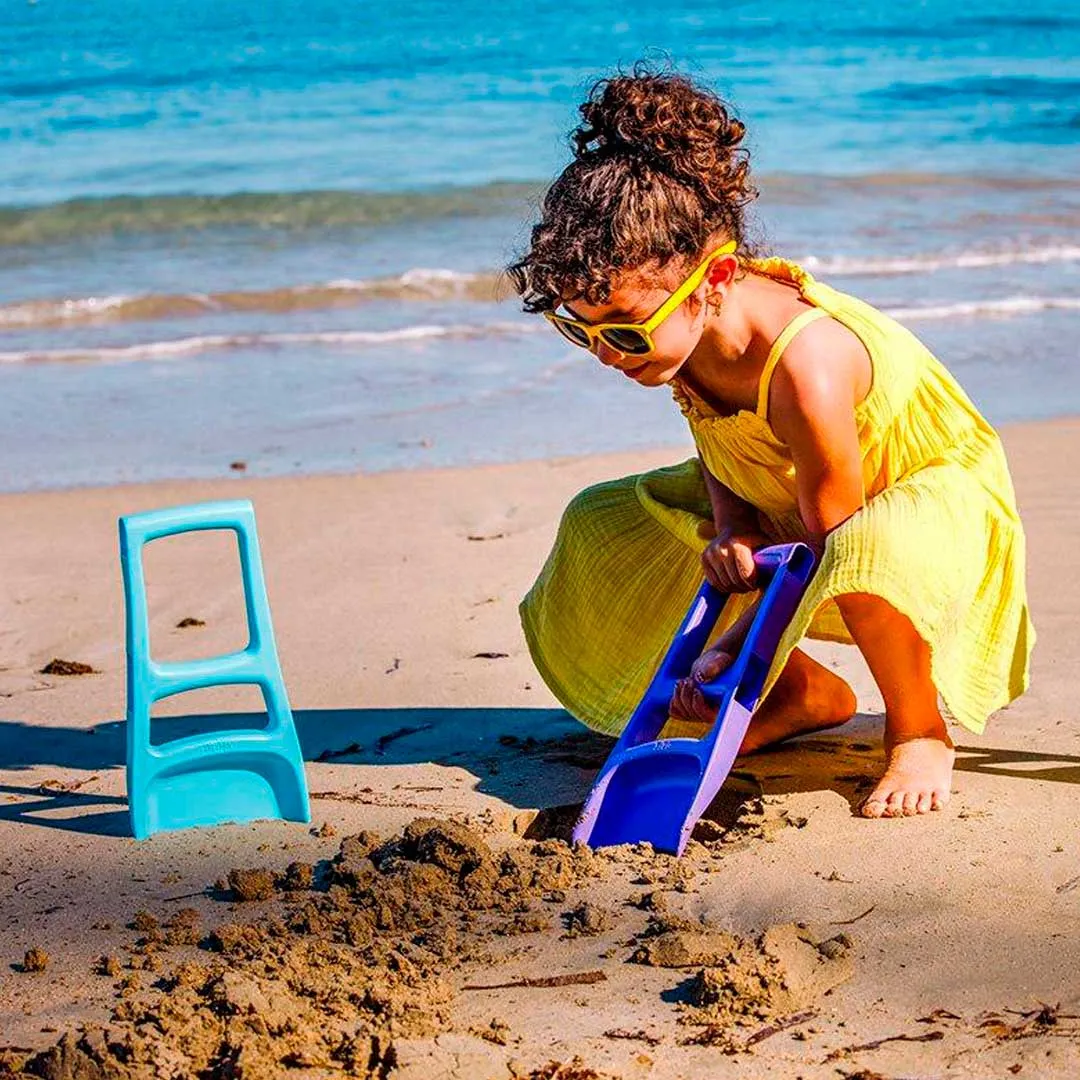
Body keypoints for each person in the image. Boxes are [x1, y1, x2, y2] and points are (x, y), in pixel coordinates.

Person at [505, 66, 1035, 818]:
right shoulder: (676, 343)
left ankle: (919, 728)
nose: (605, 353)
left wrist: (737, 642)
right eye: (579, 328)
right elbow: (719, 438)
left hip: (909, 500)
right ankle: (801, 697)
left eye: (622, 329)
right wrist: (733, 528)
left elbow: (830, 532)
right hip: (792, 492)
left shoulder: (805, 365)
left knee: (866, 552)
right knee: (602, 520)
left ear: (715, 279)